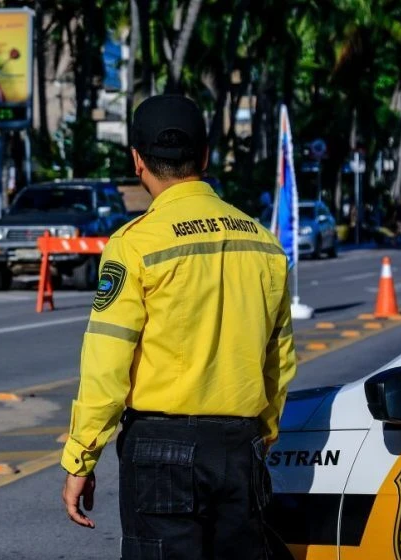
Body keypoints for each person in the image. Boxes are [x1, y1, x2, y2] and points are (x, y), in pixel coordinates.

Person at [60, 94, 297, 559]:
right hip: (239, 446)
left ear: (136, 160)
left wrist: (81, 457)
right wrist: (262, 435)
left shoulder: (135, 245)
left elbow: (107, 362)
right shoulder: (264, 244)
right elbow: (279, 359)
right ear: (205, 157)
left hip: (160, 452)